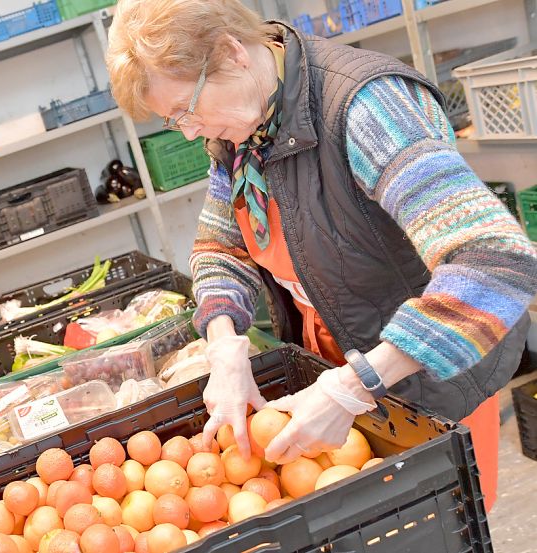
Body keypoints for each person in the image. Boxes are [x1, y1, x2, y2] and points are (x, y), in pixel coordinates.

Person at [107, 0, 537, 510]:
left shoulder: (364, 107)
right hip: (336, 373)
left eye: (185, 110)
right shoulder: (244, 129)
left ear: (231, 52)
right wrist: (224, 341)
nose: (188, 131)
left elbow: (496, 264)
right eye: (171, 120)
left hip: (430, 380)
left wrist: (359, 383)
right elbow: (221, 245)